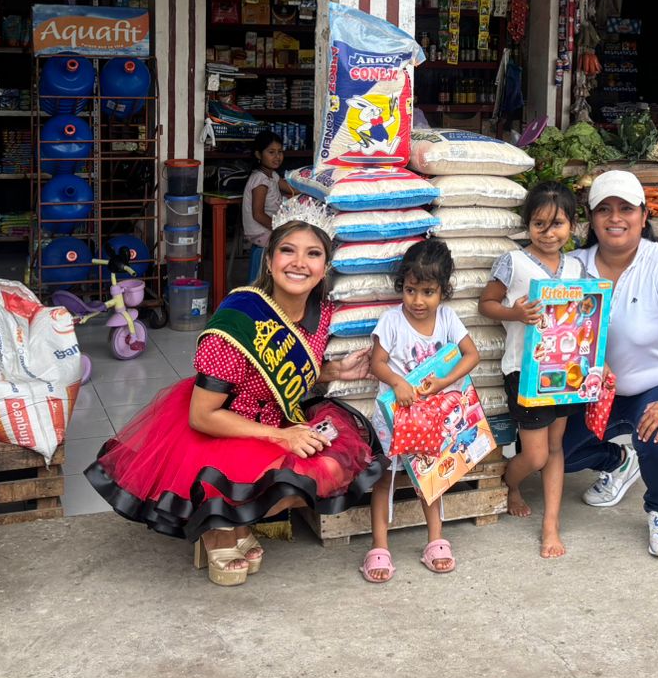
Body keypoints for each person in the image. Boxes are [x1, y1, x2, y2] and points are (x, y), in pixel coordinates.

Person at [85, 197, 380, 586]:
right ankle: (218, 527)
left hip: (274, 416)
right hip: (221, 423)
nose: (299, 263)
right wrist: (282, 436)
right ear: (269, 259)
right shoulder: (239, 315)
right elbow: (202, 416)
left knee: (329, 469)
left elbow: (280, 377)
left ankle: (235, 519)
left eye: (313, 254)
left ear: (325, 266)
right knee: (246, 471)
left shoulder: (322, 315)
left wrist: (332, 371)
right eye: (287, 250)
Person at [561, 171, 658, 559]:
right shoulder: (571, 267)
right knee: (551, 451)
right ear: (591, 218)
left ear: (643, 216)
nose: (615, 218)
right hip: (597, 390)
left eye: (626, 209)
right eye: (604, 209)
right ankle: (618, 461)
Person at [362, 239, 479, 582]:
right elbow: (377, 362)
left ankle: (435, 540)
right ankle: (379, 547)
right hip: (394, 418)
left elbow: (472, 355)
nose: (417, 300)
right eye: (410, 290)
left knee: (431, 477)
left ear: (443, 291)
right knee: (385, 479)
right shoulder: (391, 321)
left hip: (432, 418)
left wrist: (444, 383)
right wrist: (397, 382)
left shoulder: (448, 318)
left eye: (428, 292)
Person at [478, 181, 584, 558]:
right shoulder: (514, 262)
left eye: (557, 224)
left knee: (555, 448)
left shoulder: (577, 267)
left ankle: (550, 525)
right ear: (528, 225)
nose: (548, 232)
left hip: (566, 372)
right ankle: (511, 480)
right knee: (536, 455)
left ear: (572, 226)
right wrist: (514, 313)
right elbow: (486, 304)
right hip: (524, 371)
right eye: (539, 224)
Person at [241, 130, 293, 282]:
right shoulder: (260, 180)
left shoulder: (272, 175)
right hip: (261, 233)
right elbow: (258, 214)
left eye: (280, 152)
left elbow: (291, 189)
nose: (277, 157)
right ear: (258, 155)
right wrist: (280, 230)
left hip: (268, 230)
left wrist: (310, 187)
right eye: (271, 152)